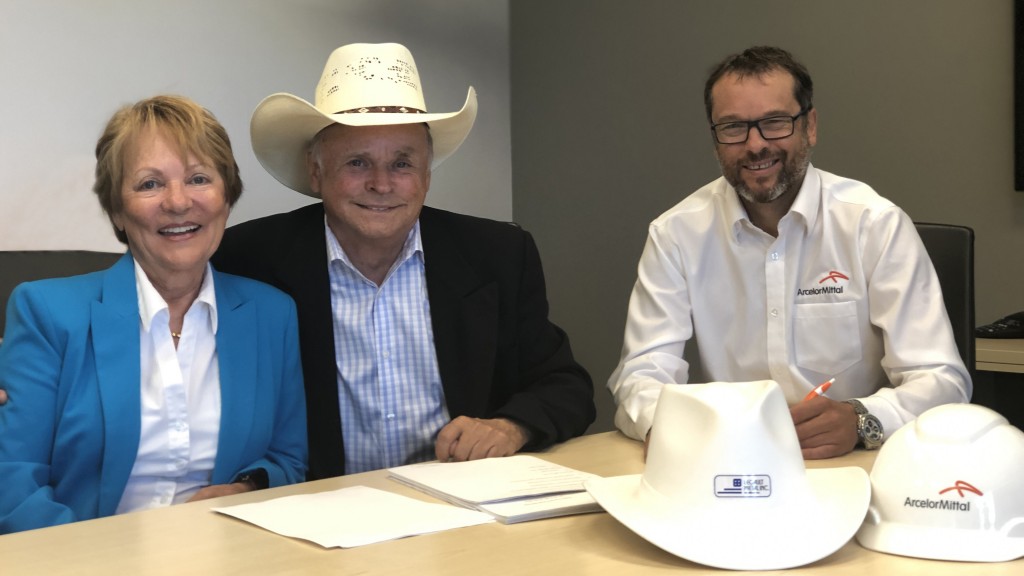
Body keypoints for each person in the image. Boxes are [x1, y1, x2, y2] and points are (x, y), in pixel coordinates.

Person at [211, 43, 594, 479]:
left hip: (461, 506)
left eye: (402, 163)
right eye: (357, 162)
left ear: (427, 175)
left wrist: (511, 426)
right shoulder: (247, 259)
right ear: (316, 173)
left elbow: (567, 386)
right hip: (320, 513)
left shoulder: (498, 254)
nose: (381, 184)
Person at [608, 46, 971, 459]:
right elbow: (642, 372)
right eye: (733, 128)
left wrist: (861, 419)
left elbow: (941, 378)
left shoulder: (873, 224)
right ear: (715, 140)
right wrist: (665, 425)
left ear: (810, 126)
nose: (755, 144)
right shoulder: (676, 233)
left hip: (857, 461)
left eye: (775, 123)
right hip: (732, 460)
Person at [0, 95, 307, 534]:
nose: (178, 202)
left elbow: (288, 460)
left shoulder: (272, 314)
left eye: (199, 178)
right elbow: (12, 486)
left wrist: (246, 489)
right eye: (149, 184)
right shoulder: (46, 313)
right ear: (117, 210)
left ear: (227, 197)